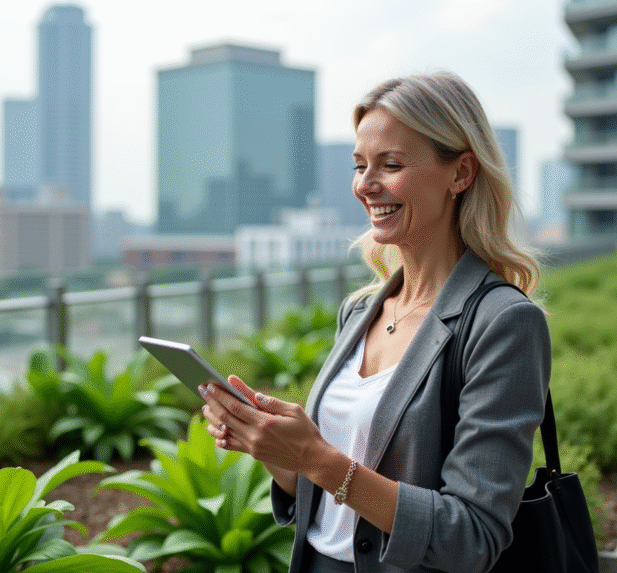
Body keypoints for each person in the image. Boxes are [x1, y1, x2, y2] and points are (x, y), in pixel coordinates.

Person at [199, 71, 551, 573]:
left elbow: (472, 536)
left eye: (391, 164)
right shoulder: (360, 312)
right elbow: (338, 496)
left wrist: (318, 458)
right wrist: (278, 452)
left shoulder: (504, 324)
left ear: (461, 173)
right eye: (360, 165)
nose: (365, 186)